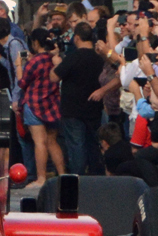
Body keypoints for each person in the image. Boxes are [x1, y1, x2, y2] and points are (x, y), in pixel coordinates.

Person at [54, 25, 106, 176]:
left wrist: (56, 63)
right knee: (93, 145)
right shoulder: (99, 57)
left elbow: (55, 76)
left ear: (76, 37)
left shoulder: (73, 57)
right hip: (94, 108)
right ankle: (96, 175)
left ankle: (77, 177)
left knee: (76, 146)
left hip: (72, 110)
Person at [19, 28, 65, 179]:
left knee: (40, 142)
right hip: (53, 105)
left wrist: (19, 66)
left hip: (34, 104)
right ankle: (63, 175)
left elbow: (22, 82)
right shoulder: (55, 59)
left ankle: (41, 178)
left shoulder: (35, 61)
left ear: (36, 42)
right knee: (52, 142)